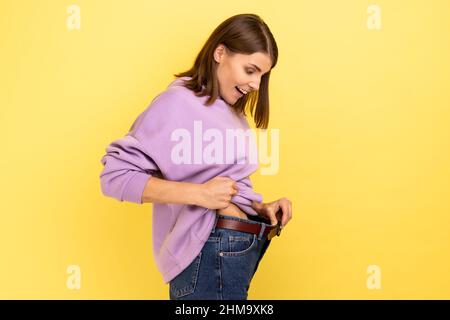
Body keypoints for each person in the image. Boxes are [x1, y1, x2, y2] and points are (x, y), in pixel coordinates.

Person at [99, 13, 292, 300]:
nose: (255, 84)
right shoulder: (177, 103)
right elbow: (114, 177)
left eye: (262, 75)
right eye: (250, 70)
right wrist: (199, 194)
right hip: (208, 251)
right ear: (220, 52)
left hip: (234, 251)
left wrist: (258, 207)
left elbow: (218, 182)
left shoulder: (231, 111)